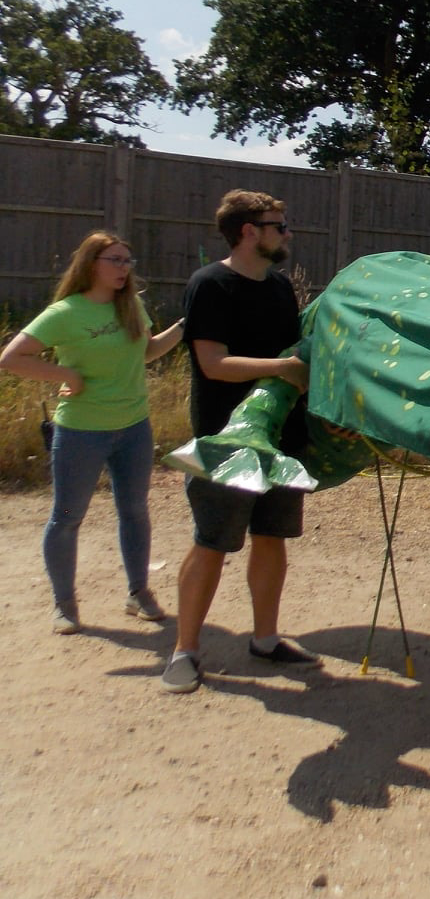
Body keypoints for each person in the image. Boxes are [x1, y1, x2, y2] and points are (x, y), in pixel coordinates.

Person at [161, 190, 315, 694]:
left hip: (282, 438)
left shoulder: (278, 288)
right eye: (279, 225)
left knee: (272, 539)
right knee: (212, 543)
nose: (287, 233)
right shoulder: (210, 286)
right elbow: (213, 364)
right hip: (225, 441)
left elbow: (294, 352)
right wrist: (282, 369)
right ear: (249, 231)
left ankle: (266, 639)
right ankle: (185, 651)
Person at [1, 231, 184, 634]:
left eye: (127, 261)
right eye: (115, 260)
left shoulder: (131, 305)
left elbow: (147, 351)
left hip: (134, 427)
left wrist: (184, 328)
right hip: (81, 432)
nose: (124, 269)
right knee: (67, 517)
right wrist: (65, 373)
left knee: (134, 512)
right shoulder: (65, 312)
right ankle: (64, 604)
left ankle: (138, 593)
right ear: (91, 264)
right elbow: (12, 358)